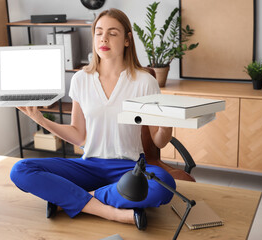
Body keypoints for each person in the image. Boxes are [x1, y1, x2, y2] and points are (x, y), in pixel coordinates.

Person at [10, 8, 175, 230]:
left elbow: (159, 141)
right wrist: (41, 120)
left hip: (128, 169)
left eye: (112, 33)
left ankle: (72, 200)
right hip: (88, 166)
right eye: (98, 32)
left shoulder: (144, 81)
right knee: (21, 170)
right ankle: (112, 213)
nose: (103, 38)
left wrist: (169, 122)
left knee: (164, 185)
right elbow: (79, 136)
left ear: (127, 40)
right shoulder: (81, 79)